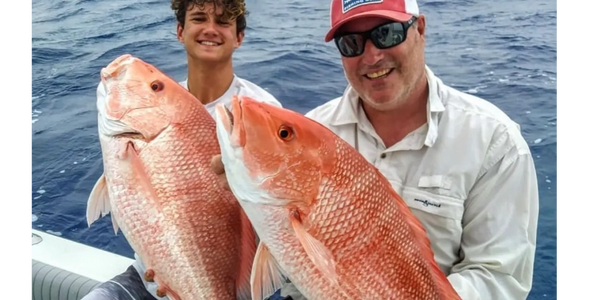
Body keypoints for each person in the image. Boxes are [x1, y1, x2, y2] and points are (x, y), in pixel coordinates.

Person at [210, 0, 540, 299]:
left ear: (420, 29)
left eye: (387, 33)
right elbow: (288, 266)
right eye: (351, 43)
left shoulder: (494, 141)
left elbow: (499, 277)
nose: (371, 56)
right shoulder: (318, 127)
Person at [81, 1, 282, 299]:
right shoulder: (159, 110)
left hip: (222, 282)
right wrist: (162, 265)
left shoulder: (264, 114)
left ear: (239, 37)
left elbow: (279, 216)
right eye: (199, 18)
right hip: (151, 275)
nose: (210, 29)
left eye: (224, 22)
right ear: (180, 31)